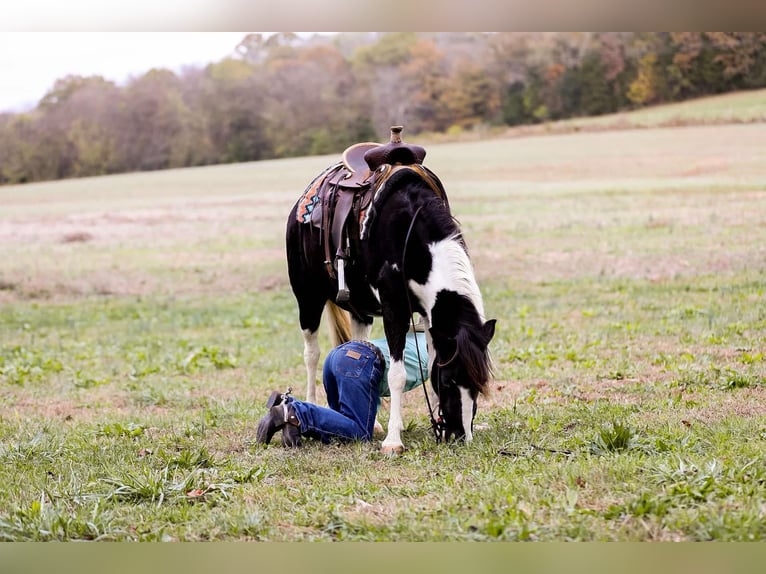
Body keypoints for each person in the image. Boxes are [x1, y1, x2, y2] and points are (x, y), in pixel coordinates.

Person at [256, 331, 428, 447]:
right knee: (360, 434)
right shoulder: (438, 347)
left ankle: (290, 413)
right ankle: (294, 411)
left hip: (337, 356)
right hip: (359, 362)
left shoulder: (413, 334)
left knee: (340, 424)